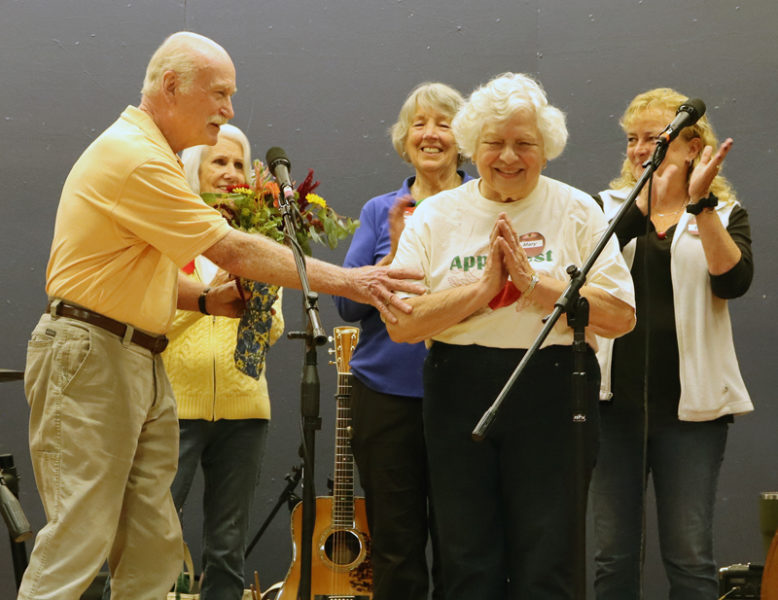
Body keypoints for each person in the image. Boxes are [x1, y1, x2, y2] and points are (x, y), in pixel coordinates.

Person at [19, 31, 422, 600]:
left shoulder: (150, 153)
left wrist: (205, 302)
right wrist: (358, 279)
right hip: (96, 356)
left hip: (134, 355)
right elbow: (229, 249)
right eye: (220, 94)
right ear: (171, 86)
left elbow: (122, 272)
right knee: (79, 541)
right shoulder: (135, 157)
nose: (229, 111)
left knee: (154, 543)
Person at [383, 72, 636, 599]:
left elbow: (619, 317)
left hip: (556, 386)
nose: (509, 156)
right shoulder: (435, 215)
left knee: (549, 555)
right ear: (473, 147)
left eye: (525, 143)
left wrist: (535, 285)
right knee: (465, 554)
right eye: (494, 143)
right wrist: (482, 290)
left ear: (548, 149)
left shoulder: (578, 210)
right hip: (458, 385)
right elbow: (401, 322)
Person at [101, 124, 282, 600]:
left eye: (239, 164)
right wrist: (208, 296)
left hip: (246, 413)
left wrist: (255, 295)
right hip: (173, 409)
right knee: (149, 537)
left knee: (227, 548)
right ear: (193, 171)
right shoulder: (168, 235)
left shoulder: (258, 238)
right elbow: (150, 318)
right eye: (218, 162)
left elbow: (273, 331)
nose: (230, 172)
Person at [590, 87, 754, 600]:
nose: (641, 149)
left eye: (655, 137)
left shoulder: (725, 214)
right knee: (612, 558)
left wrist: (699, 205)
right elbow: (590, 269)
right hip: (613, 409)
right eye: (633, 140)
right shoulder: (604, 208)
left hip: (692, 416)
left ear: (692, 144)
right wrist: (643, 205)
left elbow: (732, 282)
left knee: (689, 557)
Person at [334, 82, 471, 600]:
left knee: (464, 544)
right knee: (395, 545)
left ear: (465, 139)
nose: (430, 134)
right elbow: (347, 307)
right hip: (385, 398)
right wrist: (388, 263)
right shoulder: (379, 211)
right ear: (404, 138)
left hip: (466, 394)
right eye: (419, 123)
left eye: (443, 123)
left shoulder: (485, 205)